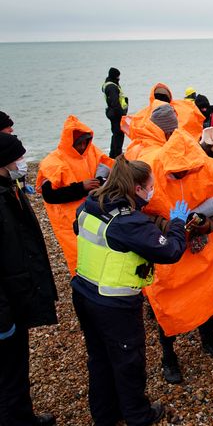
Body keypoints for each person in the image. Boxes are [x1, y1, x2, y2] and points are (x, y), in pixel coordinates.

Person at [71, 155, 187, 426]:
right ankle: (138, 415)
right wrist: (178, 224)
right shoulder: (128, 222)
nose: (152, 190)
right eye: (150, 186)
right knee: (128, 362)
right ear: (137, 189)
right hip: (114, 304)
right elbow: (169, 250)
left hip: (84, 292)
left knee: (99, 359)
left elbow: (81, 229)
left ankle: (105, 414)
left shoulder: (90, 204)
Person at [142, 132, 213, 384]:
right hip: (168, 252)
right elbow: (141, 214)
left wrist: (206, 224)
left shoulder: (208, 167)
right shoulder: (148, 174)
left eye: (187, 170)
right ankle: (168, 356)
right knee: (167, 301)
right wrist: (169, 224)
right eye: (177, 171)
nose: (182, 174)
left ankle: (208, 340)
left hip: (203, 248)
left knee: (205, 293)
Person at [0, 131, 58, 426]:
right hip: (6, 307)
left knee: (17, 367)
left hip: (18, 294)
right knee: (8, 373)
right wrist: (3, 317)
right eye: (17, 158)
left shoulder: (9, 190)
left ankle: (23, 416)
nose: (22, 163)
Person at [36, 115, 113, 275]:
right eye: (79, 143)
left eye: (86, 141)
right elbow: (49, 196)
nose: (83, 146)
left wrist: (99, 182)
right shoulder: (52, 163)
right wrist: (81, 188)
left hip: (96, 213)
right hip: (69, 221)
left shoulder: (92, 151)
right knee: (79, 259)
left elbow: (108, 168)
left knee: (104, 254)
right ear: (69, 142)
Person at [102, 67, 129, 158]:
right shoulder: (112, 87)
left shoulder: (110, 85)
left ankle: (113, 155)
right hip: (117, 114)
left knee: (116, 134)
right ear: (115, 76)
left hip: (114, 113)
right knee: (118, 135)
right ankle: (117, 155)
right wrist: (122, 114)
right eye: (118, 76)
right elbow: (115, 102)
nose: (119, 78)